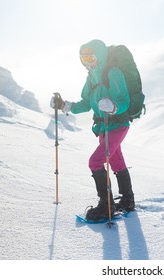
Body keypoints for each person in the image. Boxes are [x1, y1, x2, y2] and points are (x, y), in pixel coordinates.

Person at [50, 39, 135, 221]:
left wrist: (112, 106)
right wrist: (64, 105)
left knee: (95, 162)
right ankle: (128, 200)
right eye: (84, 59)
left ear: (100, 56)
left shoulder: (113, 73)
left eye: (91, 58)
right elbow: (86, 103)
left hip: (118, 124)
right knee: (116, 161)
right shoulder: (91, 78)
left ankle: (107, 206)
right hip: (103, 126)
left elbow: (124, 100)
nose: (88, 62)